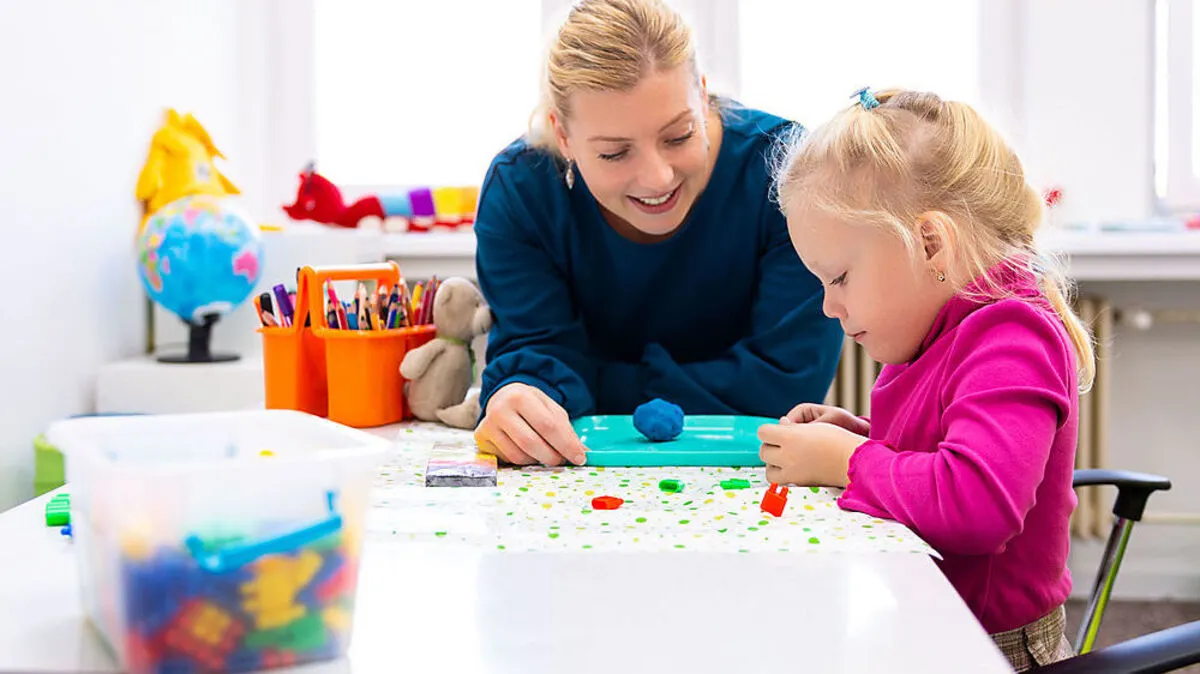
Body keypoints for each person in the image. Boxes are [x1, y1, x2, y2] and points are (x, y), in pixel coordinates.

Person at [761, 88, 1094, 671]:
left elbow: (976, 502)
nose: (827, 308)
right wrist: (862, 436)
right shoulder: (941, 328)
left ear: (930, 242)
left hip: (993, 650)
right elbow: (944, 447)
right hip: (930, 624)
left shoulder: (1012, 336)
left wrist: (848, 461)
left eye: (838, 277)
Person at [471, 0, 843, 468]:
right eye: (614, 153)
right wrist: (520, 397)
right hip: (580, 476)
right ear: (562, 136)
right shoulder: (521, 191)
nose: (658, 178)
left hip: (755, 470)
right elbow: (535, 358)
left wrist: (591, 385)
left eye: (679, 135)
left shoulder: (786, 174)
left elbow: (785, 384)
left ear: (703, 96)